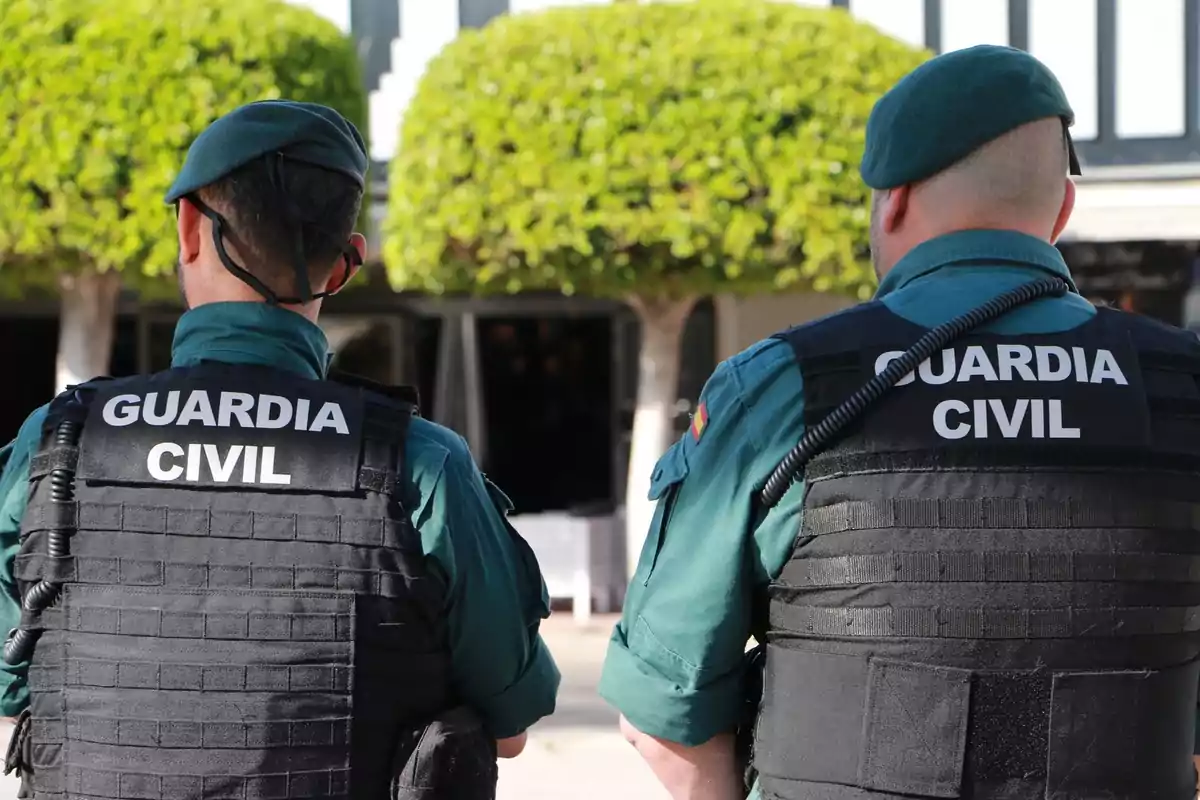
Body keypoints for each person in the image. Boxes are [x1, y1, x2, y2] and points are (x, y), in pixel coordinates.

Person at [599, 44, 1200, 800]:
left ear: (895, 201)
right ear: (1063, 210)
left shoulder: (788, 386)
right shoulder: (1183, 387)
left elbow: (664, 714)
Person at [0, 100, 560, 798]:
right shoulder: (421, 467)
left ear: (189, 228)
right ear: (346, 264)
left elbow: (11, 682)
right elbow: (509, 725)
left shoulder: (57, 446)